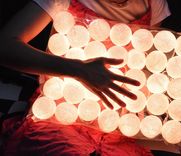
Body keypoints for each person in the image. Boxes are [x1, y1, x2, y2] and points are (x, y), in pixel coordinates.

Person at [0, 0, 171, 155]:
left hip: (119, 123)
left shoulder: (154, 4)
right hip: (61, 114)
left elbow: (148, 60)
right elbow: (5, 47)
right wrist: (79, 70)